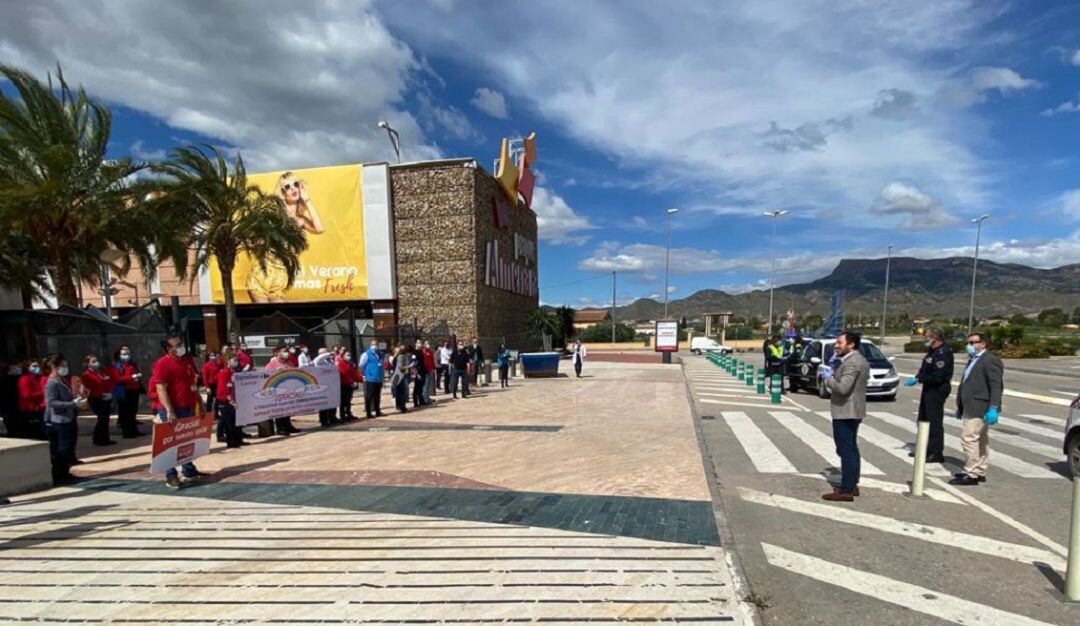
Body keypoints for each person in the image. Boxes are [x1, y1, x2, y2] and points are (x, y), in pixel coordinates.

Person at [151, 336, 210, 489]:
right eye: (177, 345)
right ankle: (171, 476)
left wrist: (200, 403)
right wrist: (169, 410)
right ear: (168, 349)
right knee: (171, 444)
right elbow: (161, 389)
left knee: (187, 440)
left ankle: (189, 470)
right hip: (172, 409)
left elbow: (193, 384)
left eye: (181, 344)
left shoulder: (186, 361)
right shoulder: (162, 364)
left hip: (188, 406)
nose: (181, 347)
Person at [818, 331, 869, 502]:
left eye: (840, 342)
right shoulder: (852, 360)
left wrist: (828, 379)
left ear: (851, 344)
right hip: (851, 410)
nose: (836, 345)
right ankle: (851, 483)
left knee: (846, 449)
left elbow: (843, 388)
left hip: (846, 411)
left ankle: (846, 489)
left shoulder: (853, 362)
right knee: (851, 448)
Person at [951, 332, 1004, 486]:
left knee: (969, 438)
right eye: (968, 343)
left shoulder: (990, 360)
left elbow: (996, 386)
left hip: (980, 406)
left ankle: (971, 473)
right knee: (980, 439)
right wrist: (960, 405)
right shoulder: (974, 359)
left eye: (973, 342)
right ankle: (979, 470)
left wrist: (993, 407)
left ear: (983, 343)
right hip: (970, 405)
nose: (970, 346)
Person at [905, 326, 953, 464]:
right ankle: (923, 449)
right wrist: (918, 376)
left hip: (937, 389)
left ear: (935, 338)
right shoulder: (933, 351)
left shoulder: (943, 352)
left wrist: (920, 379)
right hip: (928, 388)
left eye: (927, 336)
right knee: (923, 419)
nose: (925, 339)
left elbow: (938, 376)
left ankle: (935, 452)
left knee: (933, 421)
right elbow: (926, 367)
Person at [43, 354, 80, 484]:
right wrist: (71, 404)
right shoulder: (52, 383)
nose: (65, 368)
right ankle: (60, 474)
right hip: (60, 419)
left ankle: (65, 471)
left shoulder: (62, 380)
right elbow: (51, 402)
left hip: (68, 417)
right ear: (55, 366)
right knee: (62, 448)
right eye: (62, 366)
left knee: (68, 446)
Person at [80, 354, 117, 446]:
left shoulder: (102, 372)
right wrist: (101, 394)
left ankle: (105, 438)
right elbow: (90, 388)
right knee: (102, 419)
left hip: (106, 397)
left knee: (106, 419)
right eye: (93, 361)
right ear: (88, 364)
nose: (96, 363)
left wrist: (110, 393)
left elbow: (109, 381)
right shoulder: (86, 375)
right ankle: (98, 438)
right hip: (96, 398)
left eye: (96, 361)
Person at [264, 346, 301, 435]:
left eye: (287, 351)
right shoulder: (272, 364)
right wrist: (275, 372)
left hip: (289, 390)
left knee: (288, 409)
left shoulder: (289, 363)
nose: (286, 353)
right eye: (284, 351)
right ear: (277, 353)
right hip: (278, 391)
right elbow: (266, 376)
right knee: (280, 410)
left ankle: (288, 425)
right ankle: (280, 428)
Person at [112, 346, 145, 438]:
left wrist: (137, 377)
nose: (127, 356)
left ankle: (134, 431)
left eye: (128, 354)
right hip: (124, 391)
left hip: (134, 389)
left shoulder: (132, 364)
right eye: (124, 354)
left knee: (133, 412)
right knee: (125, 413)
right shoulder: (116, 365)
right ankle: (127, 432)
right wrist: (131, 377)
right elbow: (117, 379)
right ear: (119, 355)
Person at [216, 348, 244, 448]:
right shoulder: (225, 372)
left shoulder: (234, 371)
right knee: (229, 421)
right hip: (225, 399)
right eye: (234, 360)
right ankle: (231, 440)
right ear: (228, 361)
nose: (236, 362)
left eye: (236, 360)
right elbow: (225, 387)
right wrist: (230, 400)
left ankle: (238, 438)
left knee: (236, 420)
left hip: (234, 397)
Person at [16, 359, 46, 439]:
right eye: (34, 366)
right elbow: (26, 395)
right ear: (28, 367)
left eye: (38, 366)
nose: (37, 368)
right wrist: (43, 393)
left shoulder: (38, 378)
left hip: (40, 407)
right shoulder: (24, 379)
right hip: (31, 409)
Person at [359, 341, 385, 418]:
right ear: (370, 345)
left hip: (378, 378)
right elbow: (361, 365)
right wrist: (366, 373)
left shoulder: (380, 354)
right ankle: (368, 413)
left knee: (377, 396)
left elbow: (382, 364)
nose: (375, 346)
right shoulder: (366, 354)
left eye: (376, 344)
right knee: (369, 396)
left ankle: (377, 411)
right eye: (373, 345)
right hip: (370, 378)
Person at [336, 349, 360, 423]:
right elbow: (344, 373)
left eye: (350, 355)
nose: (349, 357)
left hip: (350, 384)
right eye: (347, 355)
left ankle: (349, 414)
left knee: (348, 400)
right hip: (343, 384)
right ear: (343, 356)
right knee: (343, 401)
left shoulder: (351, 364)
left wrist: (356, 380)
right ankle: (342, 416)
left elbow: (353, 373)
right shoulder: (341, 364)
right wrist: (351, 381)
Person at [389, 345, 410, 413]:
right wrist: (409, 366)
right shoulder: (399, 357)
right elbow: (400, 367)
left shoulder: (397, 357)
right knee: (401, 392)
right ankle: (401, 406)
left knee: (399, 391)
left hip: (398, 375)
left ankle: (399, 406)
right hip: (399, 376)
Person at [201, 352, 220, 418]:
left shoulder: (217, 364)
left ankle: (216, 413)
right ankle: (208, 415)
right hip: (210, 384)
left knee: (217, 399)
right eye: (211, 356)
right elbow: (204, 377)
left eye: (214, 355)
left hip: (217, 383)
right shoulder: (206, 365)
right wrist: (207, 387)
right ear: (209, 357)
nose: (213, 357)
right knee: (210, 400)